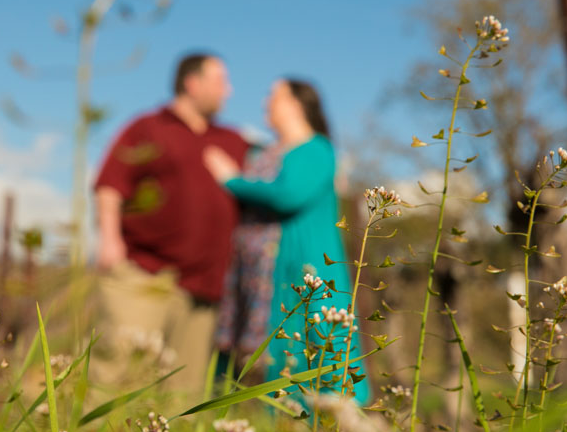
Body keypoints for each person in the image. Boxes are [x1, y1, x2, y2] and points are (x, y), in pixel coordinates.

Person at [203, 79, 370, 404]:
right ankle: (280, 427)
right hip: (267, 269)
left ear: (297, 104)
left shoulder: (316, 149)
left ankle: (334, 429)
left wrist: (232, 180)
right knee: (280, 350)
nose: (266, 102)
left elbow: (287, 195)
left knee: (315, 342)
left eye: (274, 95)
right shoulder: (271, 151)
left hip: (305, 263)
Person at [93, 53, 249, 395]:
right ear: (192, 84)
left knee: (184, 394)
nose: (229, 91)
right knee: (116, 376)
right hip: (144, 274)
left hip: (204, 288)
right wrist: (109, 240)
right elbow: (110, 185)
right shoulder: (147, 128)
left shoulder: (232, 141)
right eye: (221, 81)